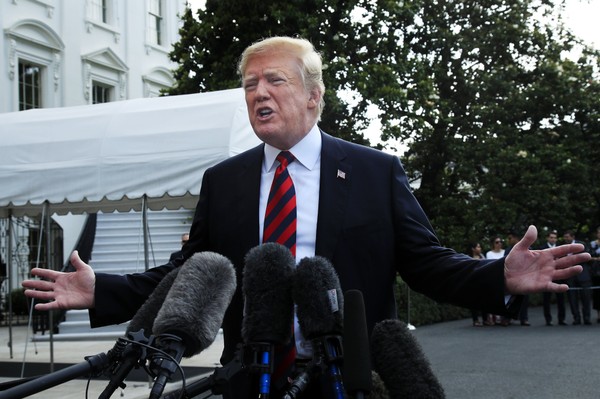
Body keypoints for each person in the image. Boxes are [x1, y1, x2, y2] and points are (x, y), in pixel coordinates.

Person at [22, 37, 588, 398]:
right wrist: (104, 290)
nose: (258, 93)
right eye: (249, 86)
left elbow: (425, 264)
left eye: (275, 81)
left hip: (350, 379)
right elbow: (189, 274)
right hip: (252, 378)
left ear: (314, 95)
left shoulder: (374, 171)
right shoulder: (225, 182)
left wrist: (498, 277)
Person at [563, 230, 592, 325]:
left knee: (586, 298)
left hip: (583, 275)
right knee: (572, 298)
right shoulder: (563, 247)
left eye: (567, 237)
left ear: (572, 237)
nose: (566, 239)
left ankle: (587, 317)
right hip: (570, 275)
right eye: (565, 237)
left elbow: (587, 258)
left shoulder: (581, 245)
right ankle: (576, 318)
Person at [540, 230, 567, 326]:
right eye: (551, 237)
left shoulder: (561, 248)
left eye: (554, 237)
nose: (553, 239)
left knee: (561, 299)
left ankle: (562, 319)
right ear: (547, 238)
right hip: (546, 277)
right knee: (546, 299)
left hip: (559, 275)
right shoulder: (542, 249)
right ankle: (548, 319)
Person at [504, 230, 529, 326]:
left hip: (524, 277)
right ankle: (507, 318)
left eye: (510, 238)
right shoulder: (507, 250)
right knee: (509, 299)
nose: (508, 240)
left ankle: (524, 318)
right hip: (512, 277)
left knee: (524, 299)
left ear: (516, 238)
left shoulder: (527, 248)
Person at [467, 242, 489, 326]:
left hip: (483, 282)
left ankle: (485, 319)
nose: (480, 248)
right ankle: (475, 320)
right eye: (478, 247)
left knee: (484, 302)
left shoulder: (483, 257)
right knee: (474, 302)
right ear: (473, 249)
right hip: (473, 283)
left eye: (480, 247)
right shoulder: (469, 258)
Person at [588, 226, 600, 323]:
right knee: (597, 294)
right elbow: (588, 256)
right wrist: (596, 259)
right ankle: (599, 314)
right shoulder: (592, 244)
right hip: (596, 272)